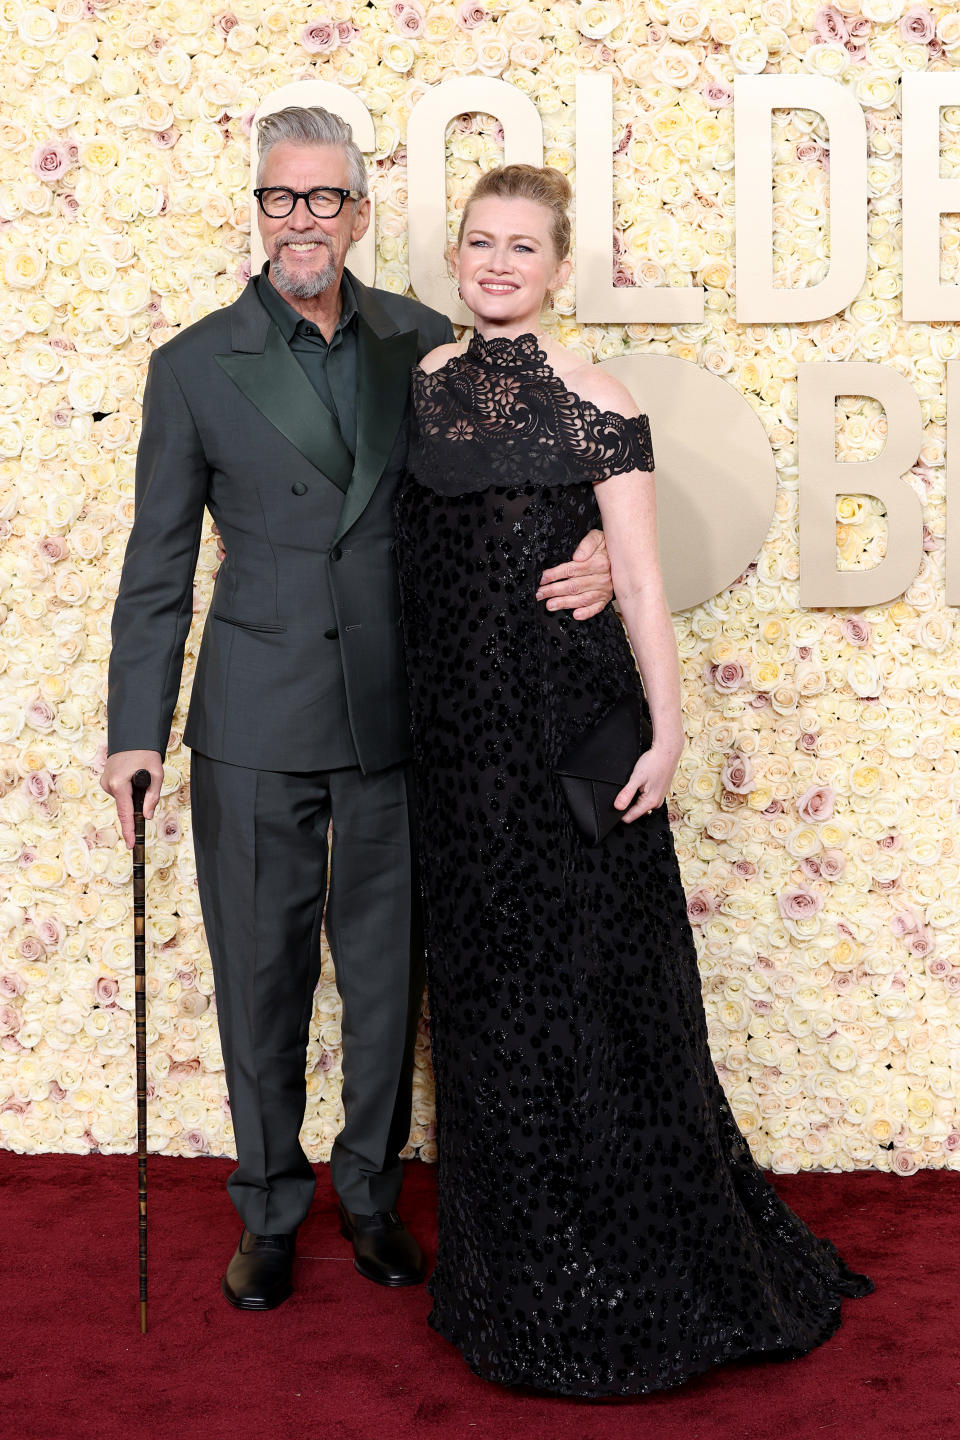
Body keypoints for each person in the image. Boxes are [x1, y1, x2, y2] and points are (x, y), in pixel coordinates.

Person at [101, 109, 614, 1312]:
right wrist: (136, 729)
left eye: (325, 199)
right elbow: (157, 563)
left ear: (360, 213)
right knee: (260, 976)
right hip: (254, 721)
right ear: (259, 209)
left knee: (386, 981)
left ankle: (372, 1201)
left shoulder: (425, 343)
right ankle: (270, 1209)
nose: (303, 221)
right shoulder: (192, 364)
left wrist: (592, 546)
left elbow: (521, 482)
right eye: (282, 199)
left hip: (397, 717)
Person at [395, 163, 873, 1396]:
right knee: (490, 1014)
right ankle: (519, 1278)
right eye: (481, 243)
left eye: (524, 248)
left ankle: (642, 1273)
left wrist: (667, 733)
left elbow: (647, 581)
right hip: (456, 759)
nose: (500, 264)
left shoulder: (595, 399)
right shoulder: (421, 389)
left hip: (567, 737)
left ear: (559, 270)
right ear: (458, 256)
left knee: (602, 995)